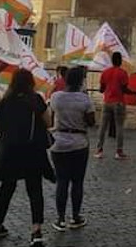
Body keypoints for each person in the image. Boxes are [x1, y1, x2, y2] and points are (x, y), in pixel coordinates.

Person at [0, 69, 52, 246]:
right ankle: (36, 230)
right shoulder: (36, 100)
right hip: (32, 150)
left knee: (6, 188)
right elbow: (48, 122)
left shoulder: (6, 101)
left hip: (9, 150)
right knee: (35, 189)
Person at [49, 66, 95, 232]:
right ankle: (75, 216)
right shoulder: (85, 100)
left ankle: (60, 218)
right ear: (81, 81)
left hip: (59, 142)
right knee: (77, 181)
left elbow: (51, 118)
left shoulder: (56, 97)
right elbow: (91, 122)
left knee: (62, 181)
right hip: (79, 142)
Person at [95, 52, 132, 160]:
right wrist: (134, 93)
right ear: (120, 61)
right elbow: (124, 89)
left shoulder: (105, 72)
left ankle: (99, 150)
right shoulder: (123, 73)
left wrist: (107, 89)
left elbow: (101, 89)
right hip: (119, 102)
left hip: (107, 101)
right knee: (119, 127)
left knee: (103, 126)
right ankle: (119, 151)